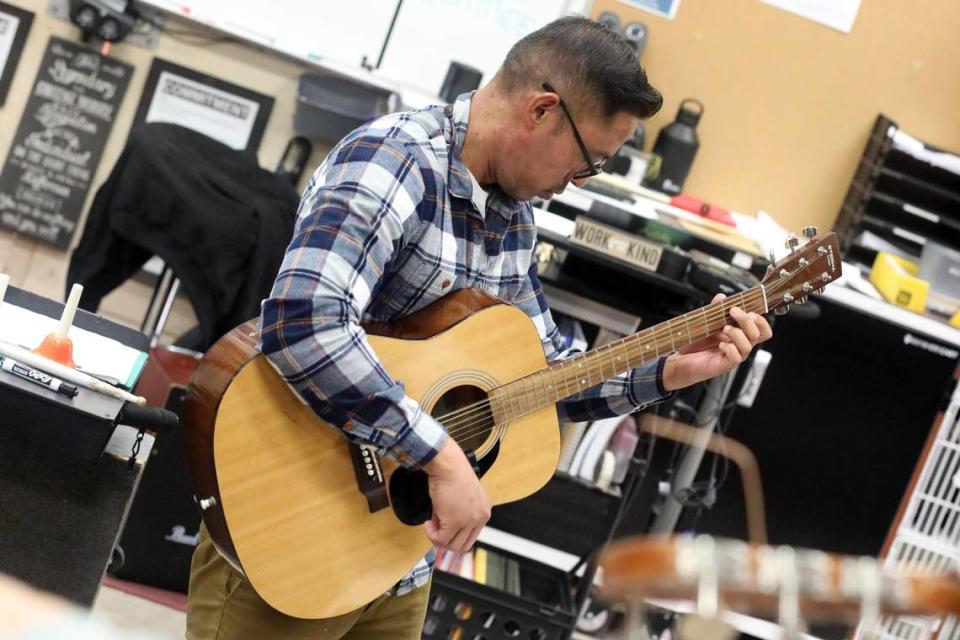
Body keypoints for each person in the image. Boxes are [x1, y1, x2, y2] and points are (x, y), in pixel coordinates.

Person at [186, 15, 772, 640]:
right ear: (543, 111)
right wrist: (437, 455)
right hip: (293, 533)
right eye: (588, 163)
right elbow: (303, 323)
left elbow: (542, 381)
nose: (575, 185)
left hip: (395, 558)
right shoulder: (396, 161)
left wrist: (669, 371)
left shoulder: (513, 218)